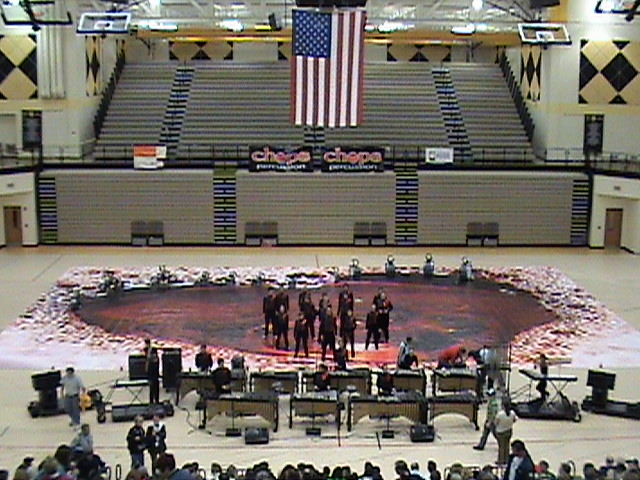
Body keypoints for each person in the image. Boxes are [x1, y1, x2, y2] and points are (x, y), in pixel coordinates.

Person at [495, 400, 517, 465]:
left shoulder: (500, 414)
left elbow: (496, 422)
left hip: (500, 432)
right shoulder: (512, 413)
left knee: (501, 447)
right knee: (507, 446)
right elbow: (514, 420)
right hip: (509, 430)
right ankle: (507, 460)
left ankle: (501, 460)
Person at [144, 339, 160, 405]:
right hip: (152, 372)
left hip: (154, 372)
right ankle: (152, 401)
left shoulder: (152, 351)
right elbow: (147, 361)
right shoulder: (147, 350)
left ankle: (156, 400)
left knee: (155, 386)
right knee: (152, 387)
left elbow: (149, 360)